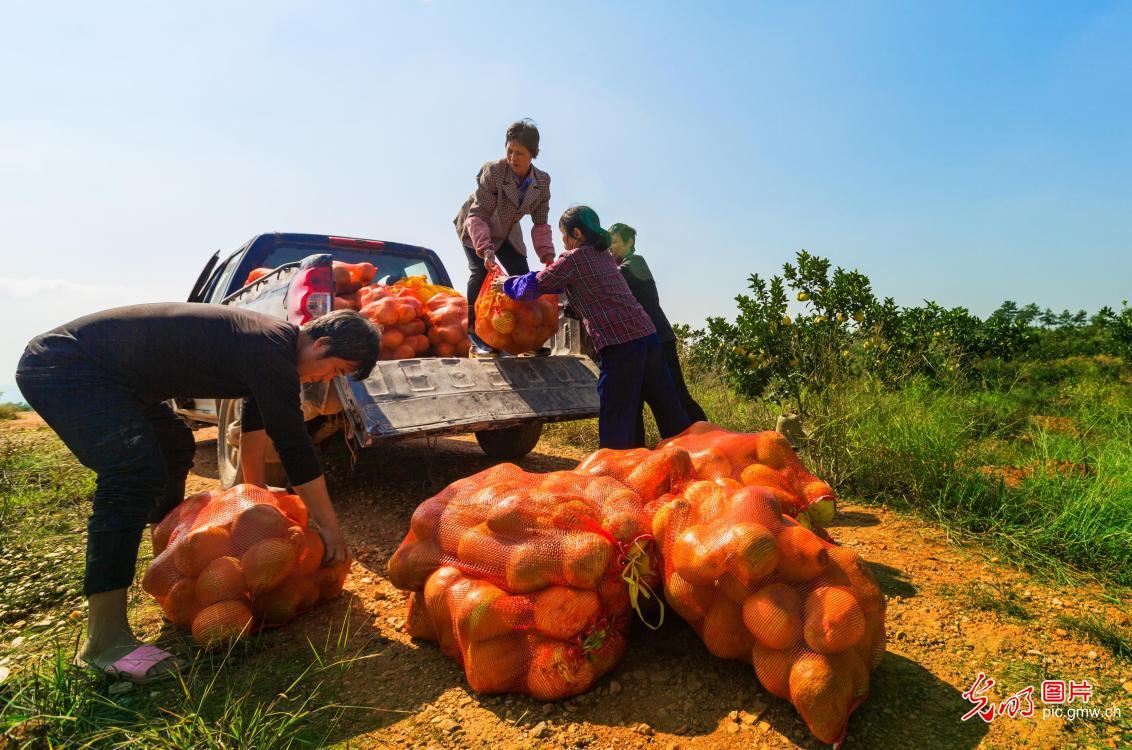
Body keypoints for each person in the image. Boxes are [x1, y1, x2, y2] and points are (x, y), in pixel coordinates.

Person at [15, 305, 380, 683]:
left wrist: (254, 497)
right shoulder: (271, 347)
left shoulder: (272, 349)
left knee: (172, 443)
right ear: (320, 344)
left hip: (109, 378)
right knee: (133, 472)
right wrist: (329, 526)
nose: (325, 378)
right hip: (67, 367)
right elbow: (293, 443)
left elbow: (256, 422)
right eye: (335, 369)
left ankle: (175, 564)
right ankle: (104, 641)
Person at [492, 206, 691, 448]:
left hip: (620, 345)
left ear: (576, 232)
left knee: (616, 415)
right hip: (648, 338)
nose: (562, 239)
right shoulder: (602, 254)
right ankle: (692, 461)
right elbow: (567, 284)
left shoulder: (574, 258)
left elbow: (539, 283)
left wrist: (507, 284)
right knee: (670, 411)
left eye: (563, 233)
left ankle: (614, 476)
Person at [455, 119, 555, 356]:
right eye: (509, 151)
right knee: (480, 271)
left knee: (521, 275)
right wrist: (486, 250)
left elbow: (540, 222)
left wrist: (548, 256)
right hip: (476, 227)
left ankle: (526, 338)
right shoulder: (495, 171)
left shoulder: (542, 182)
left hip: (508, 231)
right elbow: (478, 214)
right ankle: (476, 335)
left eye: (519, 153)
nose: (513, 157)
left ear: (534, 154)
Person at [608, 222, 708, 444]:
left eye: (614, 242)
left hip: (660, 340)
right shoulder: (619, 268)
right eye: (608, 243)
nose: (610, 247)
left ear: (629, 242)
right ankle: (641, 452)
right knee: (637, 400)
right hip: (641, 344)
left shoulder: (635, 263)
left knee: (679, 395)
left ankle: (708, 440)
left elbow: (613, 278)